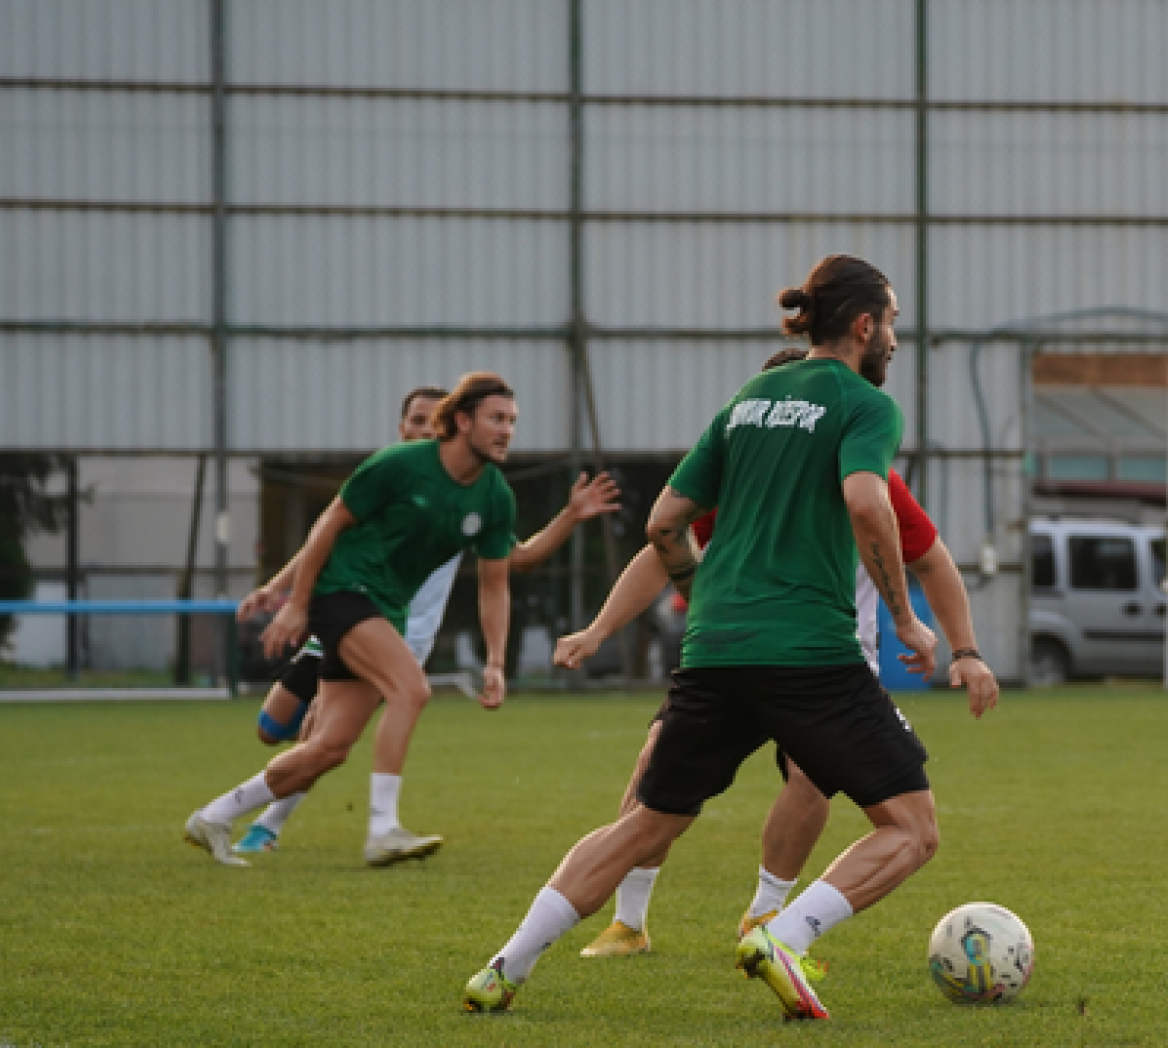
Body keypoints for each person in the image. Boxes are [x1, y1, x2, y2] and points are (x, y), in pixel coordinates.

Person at [463, 255, 996, 1020]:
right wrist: (905, 618)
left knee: (646, 821)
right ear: (863, 323)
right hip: (808, 652)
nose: (896, 341)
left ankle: (504, 965)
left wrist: (698, 590)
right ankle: (783, 934)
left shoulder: (748, 399)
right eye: (895, 322)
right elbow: (865, 503)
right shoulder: (863, 404)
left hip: (714, 648)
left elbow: (661, 524)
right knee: (911, 828)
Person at [553, 347, 997, 959]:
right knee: (653, 769)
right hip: (737, 653)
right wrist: (598, 630)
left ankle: (764, 915)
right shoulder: (747, 477)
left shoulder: (868, 475)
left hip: (827, 661)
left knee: (810, 782)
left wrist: (964, 649)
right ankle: (630, 921)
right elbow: (663, 544)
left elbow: (934, 560)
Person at [231, 386, 621, 854]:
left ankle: (270, 825)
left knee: (323, 733)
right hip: (349, 610)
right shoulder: (398, 474)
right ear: (405, 428)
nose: (422, 428)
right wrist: (280, 590)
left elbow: (513, 561)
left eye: (427, 419)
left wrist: (571, 516)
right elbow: (330, 534)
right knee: (272, 728)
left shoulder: (470, 493)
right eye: (415, 420)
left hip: (402, 633)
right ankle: (231, 814)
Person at [184, 372, 522, 868]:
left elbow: (495, 584)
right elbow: (330, 523)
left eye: (513, 421)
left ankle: (214, 816)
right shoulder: (400, 465)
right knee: (412, 689)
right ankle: (382, 829)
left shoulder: (495, 497)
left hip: (387, 609)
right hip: (343, 589)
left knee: (329, 748)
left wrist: (495, 660)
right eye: (497, 419)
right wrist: (296, 601)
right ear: (463, 420)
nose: (507, 430)